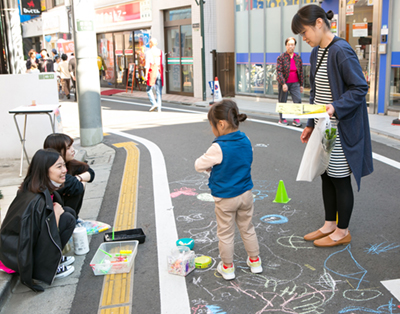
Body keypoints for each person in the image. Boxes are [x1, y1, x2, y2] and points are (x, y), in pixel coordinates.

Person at [292, 6, 373, 247]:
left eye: (304, 32)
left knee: (339, 178)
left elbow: (360, 88)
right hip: (323, 126)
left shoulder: (341, 50)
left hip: (341, 127)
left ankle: (342, 230)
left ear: (319, 23)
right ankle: (329, 225)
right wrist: (309, 123)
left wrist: (335, 107)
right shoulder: (317, 52)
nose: (303, 38)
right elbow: (316, 92)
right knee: (326, 175)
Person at [195, 100, 262, 280]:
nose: (212, 130)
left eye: (212, 126)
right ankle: (255, 262)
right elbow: (244, 159)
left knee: (226, 233)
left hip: (226, 198)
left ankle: (228, 267)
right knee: (247, 228)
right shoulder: (245, 139)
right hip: (246, 193)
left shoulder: (218, 146)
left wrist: (211, 167)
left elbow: (198, 165)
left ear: (221, 124)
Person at [0, 149, 76, 292]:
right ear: (44, 170)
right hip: (16, 256)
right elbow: (37, 238)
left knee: (68, 212)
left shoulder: (34, 187)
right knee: (67, 219)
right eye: (59, 167)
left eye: (64, 165)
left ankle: (55, 258)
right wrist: (57, 215)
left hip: (14, 249)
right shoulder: (36, 201)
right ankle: (47, 266)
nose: (65, 170)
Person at [44, 133, 95, 222]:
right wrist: (80, 181)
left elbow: (91, 173)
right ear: (58, 151)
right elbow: (77, 187)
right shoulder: (51, 171)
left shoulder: (71, 164)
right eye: (68, 148)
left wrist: (78, 178)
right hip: (54, 220)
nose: (73, 150)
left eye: (72, 146)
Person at [276, 37, 304, 127]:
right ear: (286, 46)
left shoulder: (298, 58)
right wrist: (283, 83)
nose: (290, 46)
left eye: (292, 45)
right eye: (289, 45)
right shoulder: (281, 58)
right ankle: (282, 118)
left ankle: (296, 119)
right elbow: (279, 71)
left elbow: (301, 71)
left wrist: (301, 84)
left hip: (295, 83)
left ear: (295, 46)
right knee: (282, 101)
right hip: (284, 82)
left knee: (298, 100)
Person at [145, 38, 164, 112]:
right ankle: (159, 108)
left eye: (149, 43)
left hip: (152, 71)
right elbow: (163, 64)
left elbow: (147, 65)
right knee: (159, 91)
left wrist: (146, 74)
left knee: (149, 89)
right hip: (159, 71)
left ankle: (154, 103)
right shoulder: (161, 52)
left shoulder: (149, 52)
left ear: (151, 43)